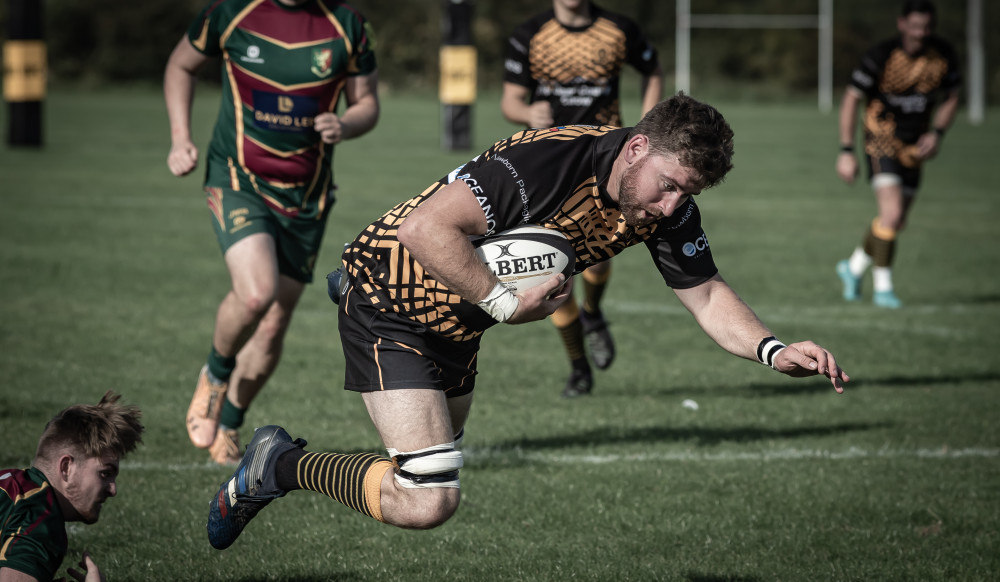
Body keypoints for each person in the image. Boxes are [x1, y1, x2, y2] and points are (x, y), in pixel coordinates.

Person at [204, 93, 849, 550]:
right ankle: (281, 466)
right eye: (670, 184)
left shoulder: (663, 208)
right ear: (639, 147)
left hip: (461, 324)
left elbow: (705, 294)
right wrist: (505, 302)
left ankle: (276, 464)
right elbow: (425, 227)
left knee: (431, 463)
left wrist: (772, 349)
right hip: (389, 297)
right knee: (429, 494)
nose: (673, 204)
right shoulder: (545, 162)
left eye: (689, 195)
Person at [163, 0, 380, 464]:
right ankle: (216, 376)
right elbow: (181, 65)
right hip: (238, 178)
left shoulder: (346, 26)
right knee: (256, 293)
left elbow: (368, 105)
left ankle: (229, 423)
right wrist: (181, 136)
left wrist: (344, 122)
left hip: (307, 196)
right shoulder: (231, 13)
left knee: (275, 323)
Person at [501, 0, 663, 397]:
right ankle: (579, 368)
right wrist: (527, 113)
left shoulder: (618, 28)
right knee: (553, 271)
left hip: (609, 165)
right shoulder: (529, 35)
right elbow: (509, 102)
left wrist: (648, 125)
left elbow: (652, 70)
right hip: (550, 167)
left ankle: (593, 313)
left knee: (600, 255)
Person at [835, 0, 960, 309]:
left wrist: (937, 133)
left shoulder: (942, 55)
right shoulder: (881, 56)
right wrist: (847, 150)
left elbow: (953, 97)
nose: (921, 33)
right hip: (881, 140)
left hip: (915, 148)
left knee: (895, 220)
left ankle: (852, 269)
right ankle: (883, 289)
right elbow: (852, 99)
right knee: (891, 215)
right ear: (902, 23)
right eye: (915, 26)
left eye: (926, 27)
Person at [1, 391, 144, 582]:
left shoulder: (14, 487)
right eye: (105, 474)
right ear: (66, 467)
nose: (113, 490)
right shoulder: (38, 514)